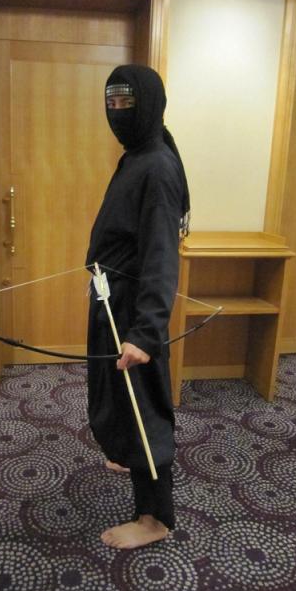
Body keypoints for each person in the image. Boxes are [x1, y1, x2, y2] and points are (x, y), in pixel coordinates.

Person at [85, 64, 190, 549]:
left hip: (133, 309)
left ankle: (155, 518)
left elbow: (161, 258)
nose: (118, 112)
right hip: (112, 299)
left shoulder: (158, 167)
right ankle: (126, 452)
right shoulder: (137, 156)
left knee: (144, 409)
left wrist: (145, 333)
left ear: (149, 105)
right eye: (112, 102)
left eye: (127, 102)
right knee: (115, 398)